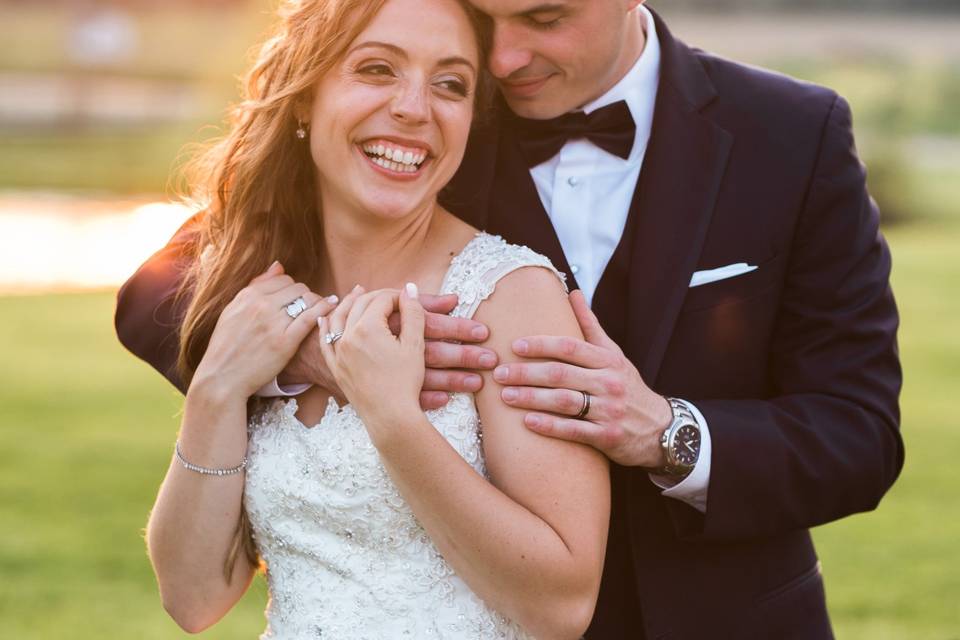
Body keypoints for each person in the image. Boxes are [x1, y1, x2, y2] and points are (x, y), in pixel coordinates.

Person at [117, 1, 904, 638]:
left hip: (720, 619)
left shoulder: (793, 134)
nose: (503, 61)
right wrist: (319, 349)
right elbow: (165, 287)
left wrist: (665, 432)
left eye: (544, 19)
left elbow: (859, 432)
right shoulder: (431, 115)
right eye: (488, 24)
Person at [140, 0, 610, 637]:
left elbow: (561, 607)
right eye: (377, 69)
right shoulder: (264, 298)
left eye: (450, 84)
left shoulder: (507, 296)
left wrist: (393, 418)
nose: (415, 108)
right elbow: (194, 599)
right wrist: (217, 389)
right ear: (304, 96)